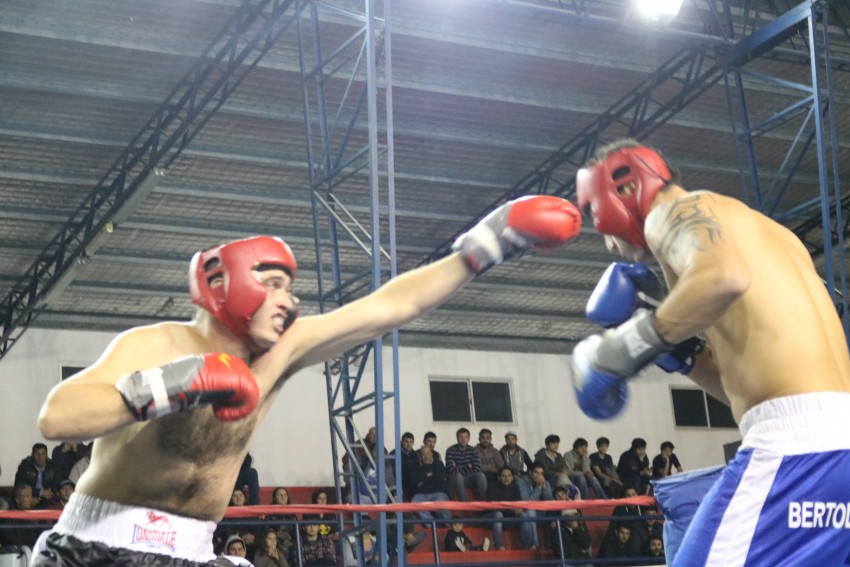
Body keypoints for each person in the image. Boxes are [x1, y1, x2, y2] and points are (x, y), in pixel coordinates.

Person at [31, 197, 580, 566]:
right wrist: (176, 383)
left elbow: (390, 304)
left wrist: (481, 246)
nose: (290, 301)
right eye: (273, 284)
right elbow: (58, 417)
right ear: (226, 286)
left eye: (291, 288)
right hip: (95, 547)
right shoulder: (157, 346)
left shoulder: (282, 351)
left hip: (195, 551)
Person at [572, 138, 850, 566]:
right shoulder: (764, 231)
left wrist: (623, 348)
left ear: (625, 189)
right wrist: (680, 353)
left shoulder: (670, 214)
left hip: (791, 451)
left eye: (595, 213)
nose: (606, 241)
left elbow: (723, 277)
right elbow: (754, 390)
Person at [445, 427, 487, 501]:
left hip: (469, 478)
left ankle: (485, 501)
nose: (463, 439)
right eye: (461, 437)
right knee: (458, 476)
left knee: (481, 475)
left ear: (469, 438)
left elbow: (477, 468)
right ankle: (465, 502)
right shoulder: (450, 450)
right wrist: (468, 466)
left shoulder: (473, 451)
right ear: (457, 438)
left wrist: (458, 467)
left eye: (466, 437)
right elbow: (451, 469)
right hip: (455, 479)